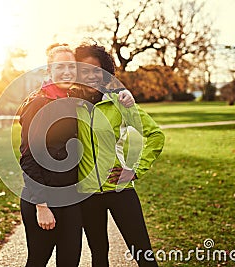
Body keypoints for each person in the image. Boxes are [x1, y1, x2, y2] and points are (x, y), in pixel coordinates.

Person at [18, 44, 135, 267]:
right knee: (38, 261)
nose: (67, 72)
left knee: (70, 260)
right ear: (49, 71)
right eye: (60, 67)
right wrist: (41, 206)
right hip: (44, 198)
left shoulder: (73, 99)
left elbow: (99, 92)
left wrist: (124, 93)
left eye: (71, 66)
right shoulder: (37, 104)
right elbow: (28, 157)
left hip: (71, 198)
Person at [74, 44, 165, 267]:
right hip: (87, 193)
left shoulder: (120, 102)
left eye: (96, 70)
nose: (91, 76)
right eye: (84, 70)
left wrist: (136, 169)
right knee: (99, 255)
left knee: (143, 252)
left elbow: (155, 135)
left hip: (120, 188)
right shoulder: (71, 105)